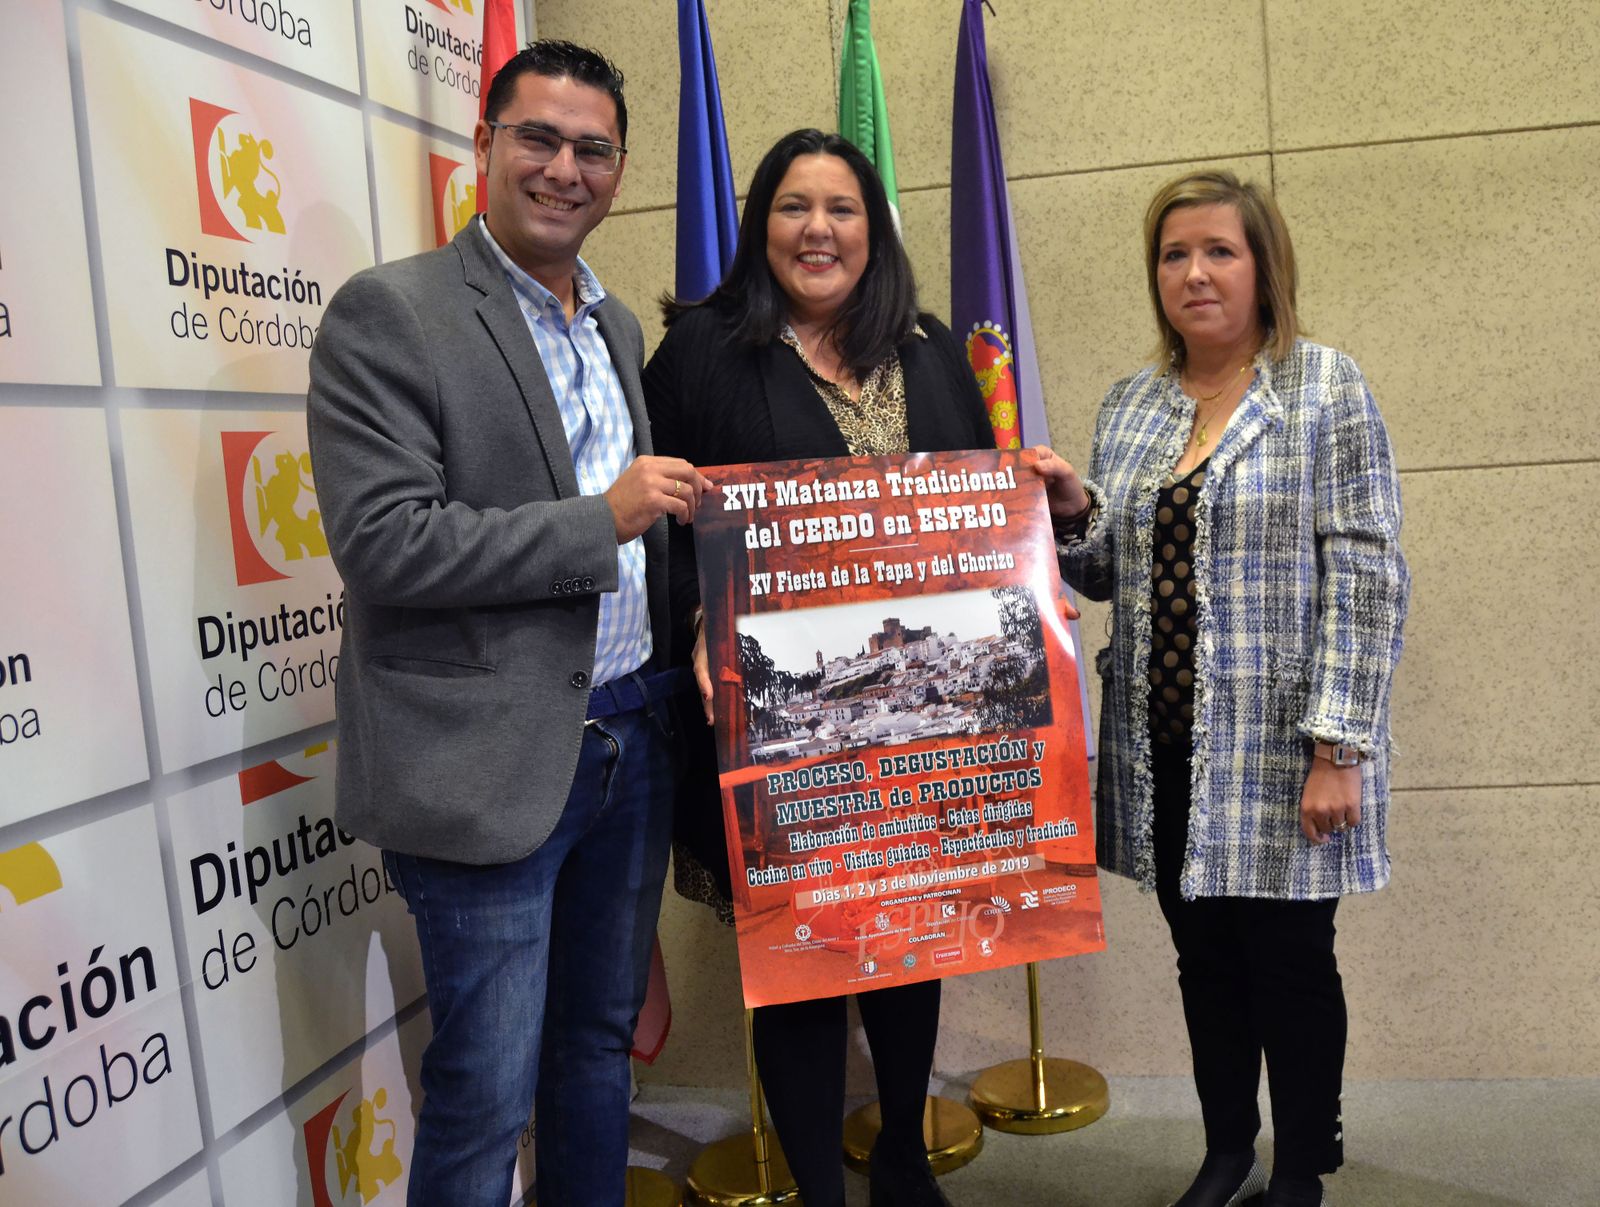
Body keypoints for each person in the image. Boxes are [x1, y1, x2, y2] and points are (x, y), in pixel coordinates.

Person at [306, 41, 711, 1207]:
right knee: (484, 1085)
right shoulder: (393, 313)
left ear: (619, 168)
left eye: (592, 149)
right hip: (483, 762)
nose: (563, 168)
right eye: (537, 137)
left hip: (632, 732)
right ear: (482, 146)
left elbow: (650, 540)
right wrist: (601, 521)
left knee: (595, 1050)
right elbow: (385, 543)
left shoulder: (620, 326)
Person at [1037, 170, 1410, 1207]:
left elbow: (1369, 573)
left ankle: (1299, 1167)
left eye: (1218, 251)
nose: (1193, 274)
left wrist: (1339, 745)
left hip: (1283, 744)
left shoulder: (1321, 387)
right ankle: (1225, 1149)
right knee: (1203, 966)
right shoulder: (1133, 402)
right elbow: (1107, 569)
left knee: (1289, 966)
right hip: (1160, 748)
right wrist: (1073, 509)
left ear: (1262, 266)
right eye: (1172, 255)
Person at [643, 128, 996, 1207]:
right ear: (760, 225)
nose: (817, 230)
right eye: (793, 207)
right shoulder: (705, 349)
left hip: (918, 738)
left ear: (871, 228)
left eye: (840, 208)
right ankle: (817, 1188)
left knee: (909, 942)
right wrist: (697, 615)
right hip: (783, 734)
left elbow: (980, 507)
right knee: (797, 968)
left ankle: (899, 1154)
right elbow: (649, 523)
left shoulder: (929, 348)